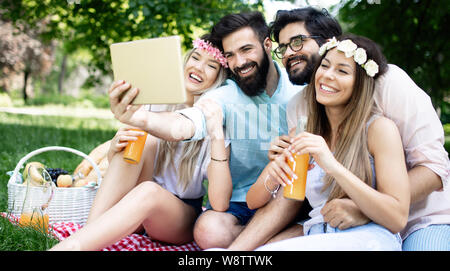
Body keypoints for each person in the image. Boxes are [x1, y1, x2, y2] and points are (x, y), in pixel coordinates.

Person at [232, 7, 450, 251]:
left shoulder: (389, 83)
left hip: (419, 219)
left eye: (297, 42)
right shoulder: (299, 107)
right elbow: (294, 192)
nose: (289, 54)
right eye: (283, 48)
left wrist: (365, 208)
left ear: (331, 42)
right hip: (335, 222)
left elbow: (434, 167)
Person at [49, 34, 230, 251]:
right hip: (135, 203)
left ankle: (75, 246)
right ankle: (89, 235)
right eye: (196, 58)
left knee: (149, 191)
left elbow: (219, 198)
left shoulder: (212, 117)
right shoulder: (157, 100)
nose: (199, 67)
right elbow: (123, 166)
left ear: (218, 78)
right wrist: (115, 149)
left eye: (211, 65)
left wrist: (216, 133)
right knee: (139, 137)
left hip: (176, 216)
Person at [250, 34, 410, 250]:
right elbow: (253, 202)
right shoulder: (305, 131)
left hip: (367, 237)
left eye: (342, 71)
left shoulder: (378, 129)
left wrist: (332, 165)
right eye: (324, 66)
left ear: (360, 84)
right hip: (316, 235)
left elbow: (397, 218)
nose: (327, 76)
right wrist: (274, 170)